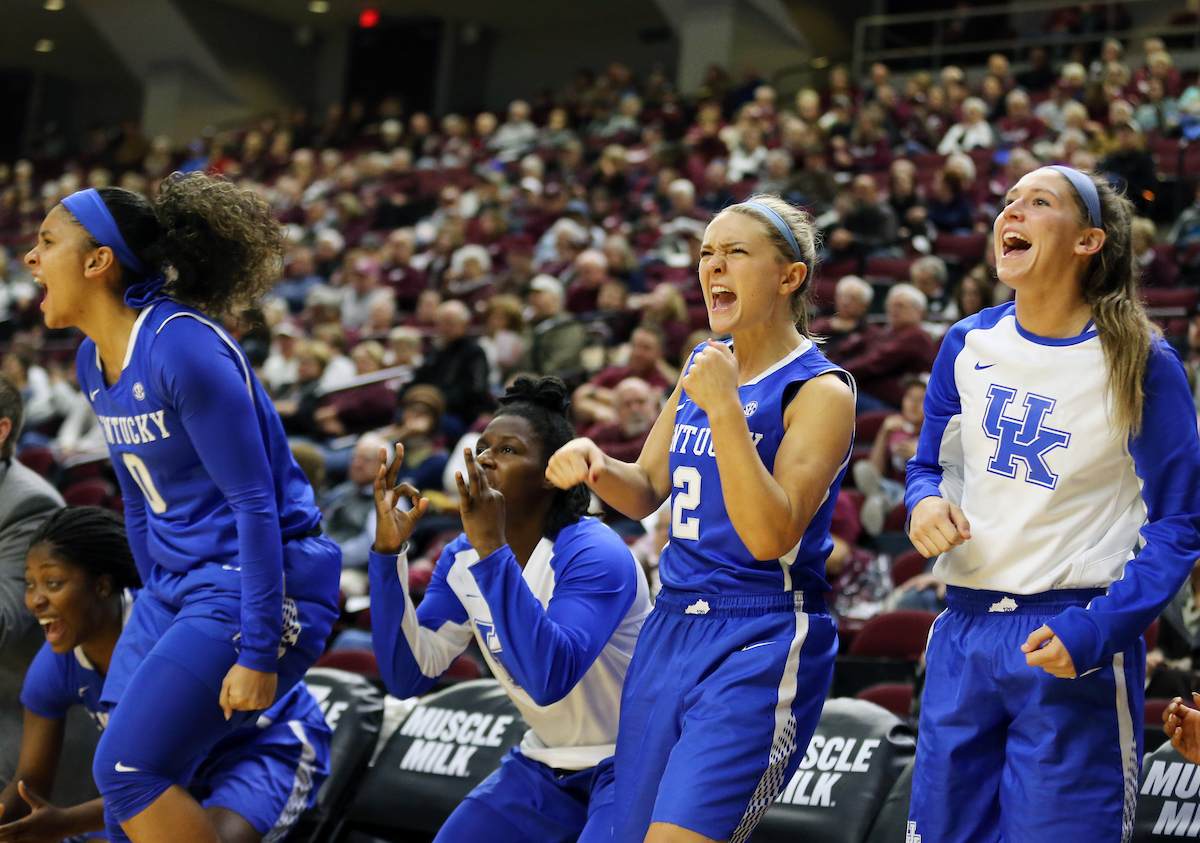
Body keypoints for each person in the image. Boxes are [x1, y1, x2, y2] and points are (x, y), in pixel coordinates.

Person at [24, 178, 342, 843]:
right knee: (123, 784)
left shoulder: (182, 346)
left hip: (260, 579)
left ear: (97, 260)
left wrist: (258, 650)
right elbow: (138, 495)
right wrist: (156, 593)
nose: (30, 257)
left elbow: (255, 505)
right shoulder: (92, 359)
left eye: (47, 241)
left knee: (128, 766)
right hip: (180, 584)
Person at [904, 166, 1200, 842]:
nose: (1013, 211)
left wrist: (1097, 631)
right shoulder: (966, 342)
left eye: (1040, 202)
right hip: (964, 631)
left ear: (1088, 240)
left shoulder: (1143, 360)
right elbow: (930, 467)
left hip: (1071, 635)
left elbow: (1179, 526)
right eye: (1009, 200)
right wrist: (922, 504)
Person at [547, 194, 854, 842]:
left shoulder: (819, 389)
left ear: (790, 275)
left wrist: (725, 411)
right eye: (706, 254)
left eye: (735, 253)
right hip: (670, 625)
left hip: (759, 631)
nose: (713, 268)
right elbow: (648, 487)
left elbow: (771, 535)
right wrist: (598, 463)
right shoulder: (704, 364)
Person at [369, 376, 650, 843]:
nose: (484, 459)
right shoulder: (462, 556)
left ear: (550, 475)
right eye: (482, 447)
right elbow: (408, 675)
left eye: (507, 450)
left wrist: (491, 550)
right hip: (546, 762)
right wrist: (386, 555)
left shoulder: (595, 552)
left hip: (637, 762)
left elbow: (549, 679)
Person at [1, 507, 331, 843]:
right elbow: (29, 781)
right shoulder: (57, 665)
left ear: (101, 586)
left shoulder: (166, 633)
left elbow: (146, 777)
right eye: (29, 584)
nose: (35, 600)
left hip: (265, 744)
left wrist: (66, 823)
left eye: (53, 582)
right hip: (169, 772)